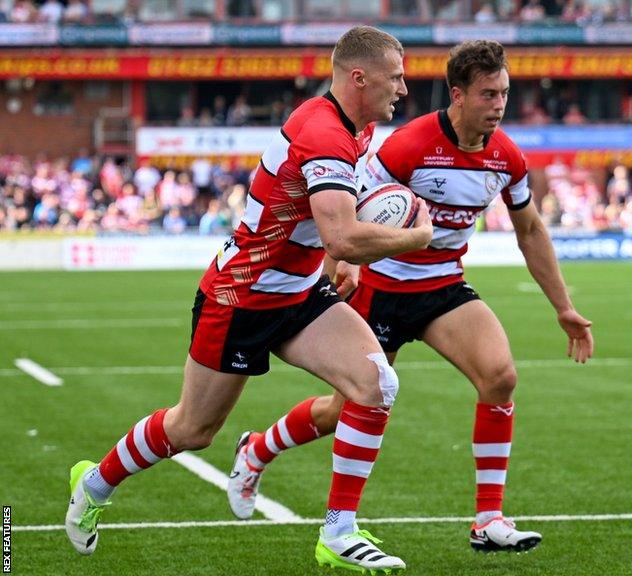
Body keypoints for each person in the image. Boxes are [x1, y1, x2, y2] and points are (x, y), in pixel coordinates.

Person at [64, 26, 433, 573]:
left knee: (376, 382)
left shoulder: (358, 129)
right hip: (241, 295)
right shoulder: (326, 135)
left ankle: (339, 531)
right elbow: (340, 233)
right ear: (359, 77)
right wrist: (410, 239)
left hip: (300, 291)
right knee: (192, 429)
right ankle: (93, 484)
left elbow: (325, 233)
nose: (403, 88)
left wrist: (339, 263)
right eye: (396, 76)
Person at [225, 40, 594, 553]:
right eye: (488, 94)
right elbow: (354, 213)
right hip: (381, 287)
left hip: (442, 285)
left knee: (500, 376)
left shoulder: (507, 158)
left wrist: (564, 307)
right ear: (457, 95)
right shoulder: (409, 144)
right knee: (344, 408)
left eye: (505, 93)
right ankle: (259, 449)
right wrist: (343, 266)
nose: (499, 104)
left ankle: (488, 519)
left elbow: (529, 230)